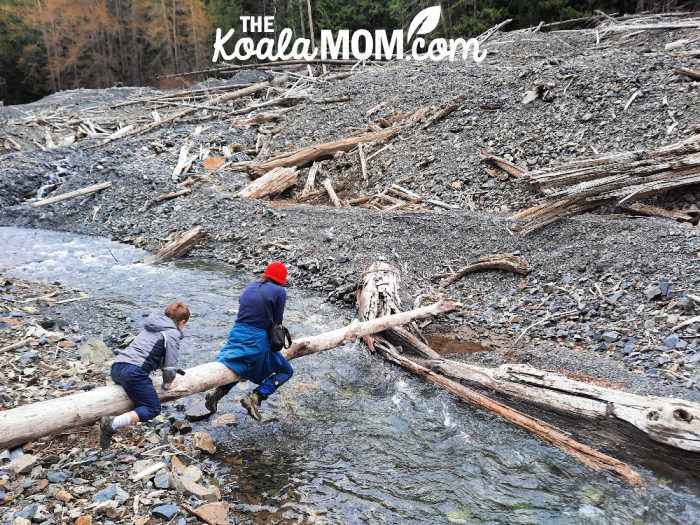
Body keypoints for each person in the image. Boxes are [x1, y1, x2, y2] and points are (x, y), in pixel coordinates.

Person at [205, 262, 292, 421]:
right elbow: (277, 322)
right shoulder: (280, 291)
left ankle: (216, 394)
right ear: (281, 279)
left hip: (236, 334)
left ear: (266, 274)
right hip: (256, 339)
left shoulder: (251, 286)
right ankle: (256, 397)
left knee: (239, 366)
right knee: (286, 371)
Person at [98, 301, 190, 449]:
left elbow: (149, 351)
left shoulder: (153, 325)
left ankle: (107, 438)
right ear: (182, 322)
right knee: (152, 408)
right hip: (134, 373)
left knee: (138, 396)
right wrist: (167, 384)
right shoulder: (172, 333)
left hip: (117, 367)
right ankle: (112, 424)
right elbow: (169, 367)